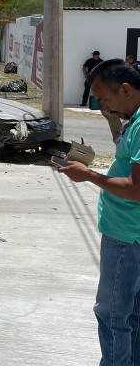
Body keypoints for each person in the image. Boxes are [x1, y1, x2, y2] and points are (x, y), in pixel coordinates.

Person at [58, 59, 140, 365]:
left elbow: (137, 188)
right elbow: (125, 147)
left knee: (112, 314)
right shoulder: (134, 120)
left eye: (104, 99)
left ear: (126, 90)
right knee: (131, 313)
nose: (103, 105)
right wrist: (111, 120)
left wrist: (90, 176)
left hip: (126, 235)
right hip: (130, 232)